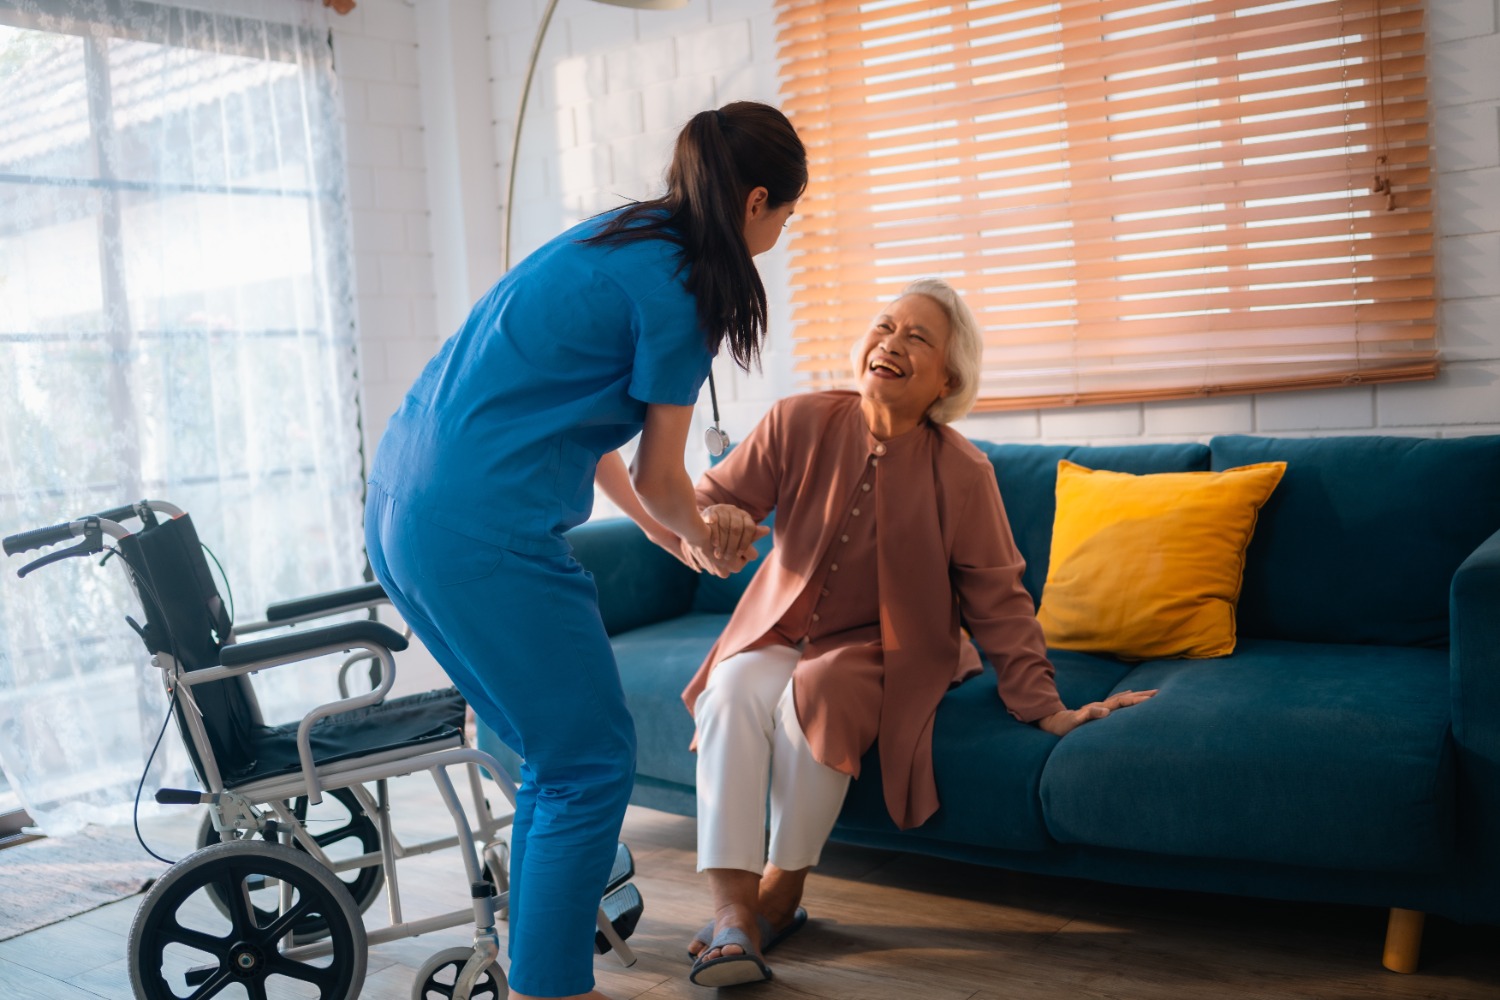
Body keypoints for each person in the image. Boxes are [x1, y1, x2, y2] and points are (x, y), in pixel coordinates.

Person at [364, 102, 804, 1000]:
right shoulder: (687, 287)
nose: (779, 235)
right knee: (590, 760)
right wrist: (707, 539)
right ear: (758, 199)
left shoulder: (616, 238)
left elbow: (584, 421)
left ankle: (540, 974)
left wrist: (654, 528)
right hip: (483, 527)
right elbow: (667, 476)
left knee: (547, 756)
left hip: (402, 507)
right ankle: (552, 987)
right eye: (785, 217)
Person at [667, 278, 1158, 986]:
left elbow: (999, 598)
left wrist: (1044, 706)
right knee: (735, 684)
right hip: (779, 627)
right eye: (884, 327)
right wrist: (713, 527)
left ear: (946, 380)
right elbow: (710, 499)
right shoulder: (796, 420)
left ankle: (784, 890)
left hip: (881, 647)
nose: (891, 344)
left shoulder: (964, 472)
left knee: (822, 687)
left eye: (916, 338)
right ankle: (733, 913)